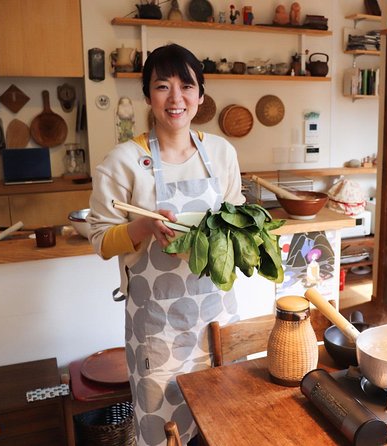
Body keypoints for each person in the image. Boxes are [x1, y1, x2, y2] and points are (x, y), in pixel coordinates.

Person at [88, 43, 245, 446]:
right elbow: (101, 239)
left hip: (217, 319)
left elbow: (237, 216)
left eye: (186, 86)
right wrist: (141, 227)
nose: (176, 98)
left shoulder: (221, 153)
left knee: (226, 424)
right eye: (162, 86)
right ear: (147, 97)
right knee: (162, 433)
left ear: (201, 96)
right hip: (158, 330)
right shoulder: (122, 160)